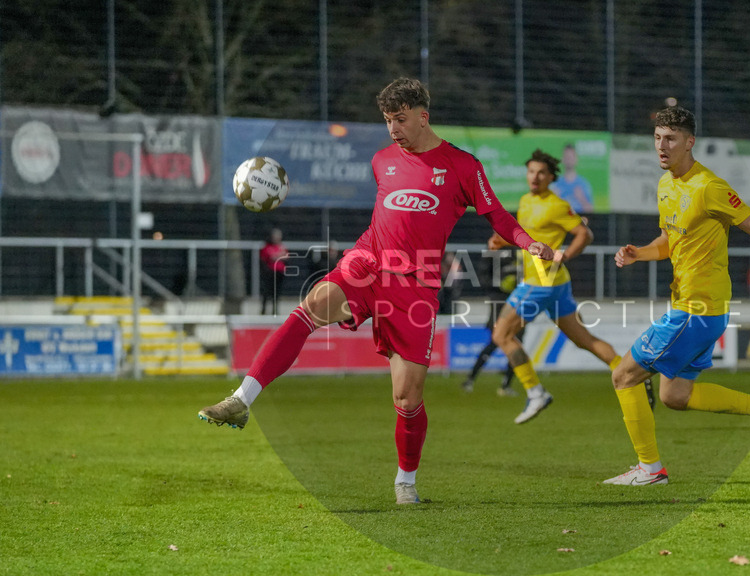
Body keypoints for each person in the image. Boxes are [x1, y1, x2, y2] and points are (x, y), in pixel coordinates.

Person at [198, 78, 554, 505]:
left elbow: (496, 214)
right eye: (387, 120)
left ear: (424, 115)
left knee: (406, 398)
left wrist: (528, 241)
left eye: (400, 119)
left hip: (417, 284)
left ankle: (406, 480)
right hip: (368, 260)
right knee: (309, 308)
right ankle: (242, 399)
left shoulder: (463, 166)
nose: (392, 129)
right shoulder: (382, 159)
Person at [602, 106, 750, 486]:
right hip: (693, 310)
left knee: (624, 375)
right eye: (658, 138)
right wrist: (639, 252)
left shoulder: (709, 187)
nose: (662, 146)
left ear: (690, 142)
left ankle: (650, 469)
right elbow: (670, 241)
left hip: (697, 310)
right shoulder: (666, 185)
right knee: (675, 395)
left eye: (671, 139)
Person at [490, 148, 649, 424]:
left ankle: (536, 392)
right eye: (531, 172)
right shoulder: (526, 200)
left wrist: (564, 255)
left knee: (501, 335)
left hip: (541, 281)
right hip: (557, 285)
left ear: (551, 177)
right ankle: (634, 372)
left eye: (541, 173)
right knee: (583, 340)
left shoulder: (556, 204)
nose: (535, 177)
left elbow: (584, 234)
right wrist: (504, 240)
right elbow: (529, 235)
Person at [460, 245, 520, 396]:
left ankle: (506, 384)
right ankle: (470, 379)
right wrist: (499, 284)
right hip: (499, 301)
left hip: (517, 301)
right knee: (495, 341)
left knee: (518, 341)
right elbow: (483, 278)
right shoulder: (492, 252)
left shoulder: (518, 251)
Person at [549, 143, 594, 214]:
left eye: (571, 157)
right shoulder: (554, 184)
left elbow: (591, 211)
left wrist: (582, 199)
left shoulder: (584, 184)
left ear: (576, 159)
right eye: (567, 157)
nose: (569, 160)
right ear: (562, 159)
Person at [259, 228, 288, 315]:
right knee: (267, 292)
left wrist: (278, 256)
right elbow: (270, 257)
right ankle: (263, 310)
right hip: (269, 273)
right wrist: (279, 255)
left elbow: (286, 256)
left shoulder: (282, 247)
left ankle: (275, 310)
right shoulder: (267, 247)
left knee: (277, 293)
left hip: (279, 273)